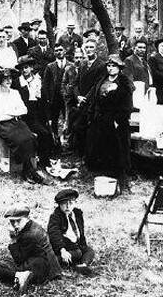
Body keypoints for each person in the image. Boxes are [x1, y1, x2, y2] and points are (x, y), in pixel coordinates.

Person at [0, 205, 62, 293]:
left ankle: (18, 276)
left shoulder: (30, 235)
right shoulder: (32, 225)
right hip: (47, 266)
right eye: (12, 221)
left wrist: (13, 240)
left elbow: (19, 260)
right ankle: (19, 275)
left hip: (42, 271)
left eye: (18, 220)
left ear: (27, 218)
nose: (15, 224)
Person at [86, 55, 134, 192]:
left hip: (117, 120)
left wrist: (118, 119)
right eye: (109, 66)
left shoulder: (124, 83)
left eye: (114, 66)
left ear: (119, 68)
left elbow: (127, 105)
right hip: (101, 118)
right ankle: (104, 173)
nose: (111, 68)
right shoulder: (102, 80)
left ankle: (120, 176)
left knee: (118, 148)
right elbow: (95, 99)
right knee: (102, 145)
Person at [0, 70, 47, 183]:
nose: (8, 81)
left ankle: (27, 170)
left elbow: (24, 110)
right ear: (0, 82)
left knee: (30, 138)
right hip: (4, 125)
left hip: (17, 122)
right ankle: (29, 172)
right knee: (20, 141)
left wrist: (9, 112)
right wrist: (14, 111)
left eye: (10, 79)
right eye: (5, 79)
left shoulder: (15, 93)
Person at [15, 56, 58, 170]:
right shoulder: (18, 83)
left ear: (31, 68)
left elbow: (43, 101)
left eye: (27, 67)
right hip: (24, 115)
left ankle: (44, 159)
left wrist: (47, 117)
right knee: (42, 133)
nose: (25, 70)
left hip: (37, 113)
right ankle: (41, 161)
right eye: (22, 68)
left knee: (48, 133)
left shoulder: (38, 81)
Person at [47, 189, 95, 275]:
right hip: (65, 246)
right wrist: (62, 250)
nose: (68, 206)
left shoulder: (77, 214)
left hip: (76, 244)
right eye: (64, 204)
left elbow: (80, 231)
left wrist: (83, 245)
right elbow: (54, 235)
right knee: (77, 253)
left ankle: (82, 265)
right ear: (59, 205)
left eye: (71, 203)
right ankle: (59, 262)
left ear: (75, 203)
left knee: (89, 251)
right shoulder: (55, 217)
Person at [72, 40, 107, 154]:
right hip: (81, 102)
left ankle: (90, 156)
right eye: (86, 47)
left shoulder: (101, 65)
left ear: (96, 49)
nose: (89, 49)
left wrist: (85, 98)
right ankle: (80, 154)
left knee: (91, 129)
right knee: (78, 127)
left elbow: (97, 85)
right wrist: (78, 96)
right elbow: (76, 83)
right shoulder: (82, 63)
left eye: (91, 47)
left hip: (93, 102)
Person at [42, 43, 71, 146]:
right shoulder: (50, 66)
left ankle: (68, 142)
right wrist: (48, 98)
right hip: (54, 98)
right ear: (54, 53)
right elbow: (45, 84)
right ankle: (55, 142)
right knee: (54, 120)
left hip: (67, 98)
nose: (59, 52)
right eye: (57, 50)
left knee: (68, 119)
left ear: (65, 51)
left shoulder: (70, 65)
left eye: (61, 50)